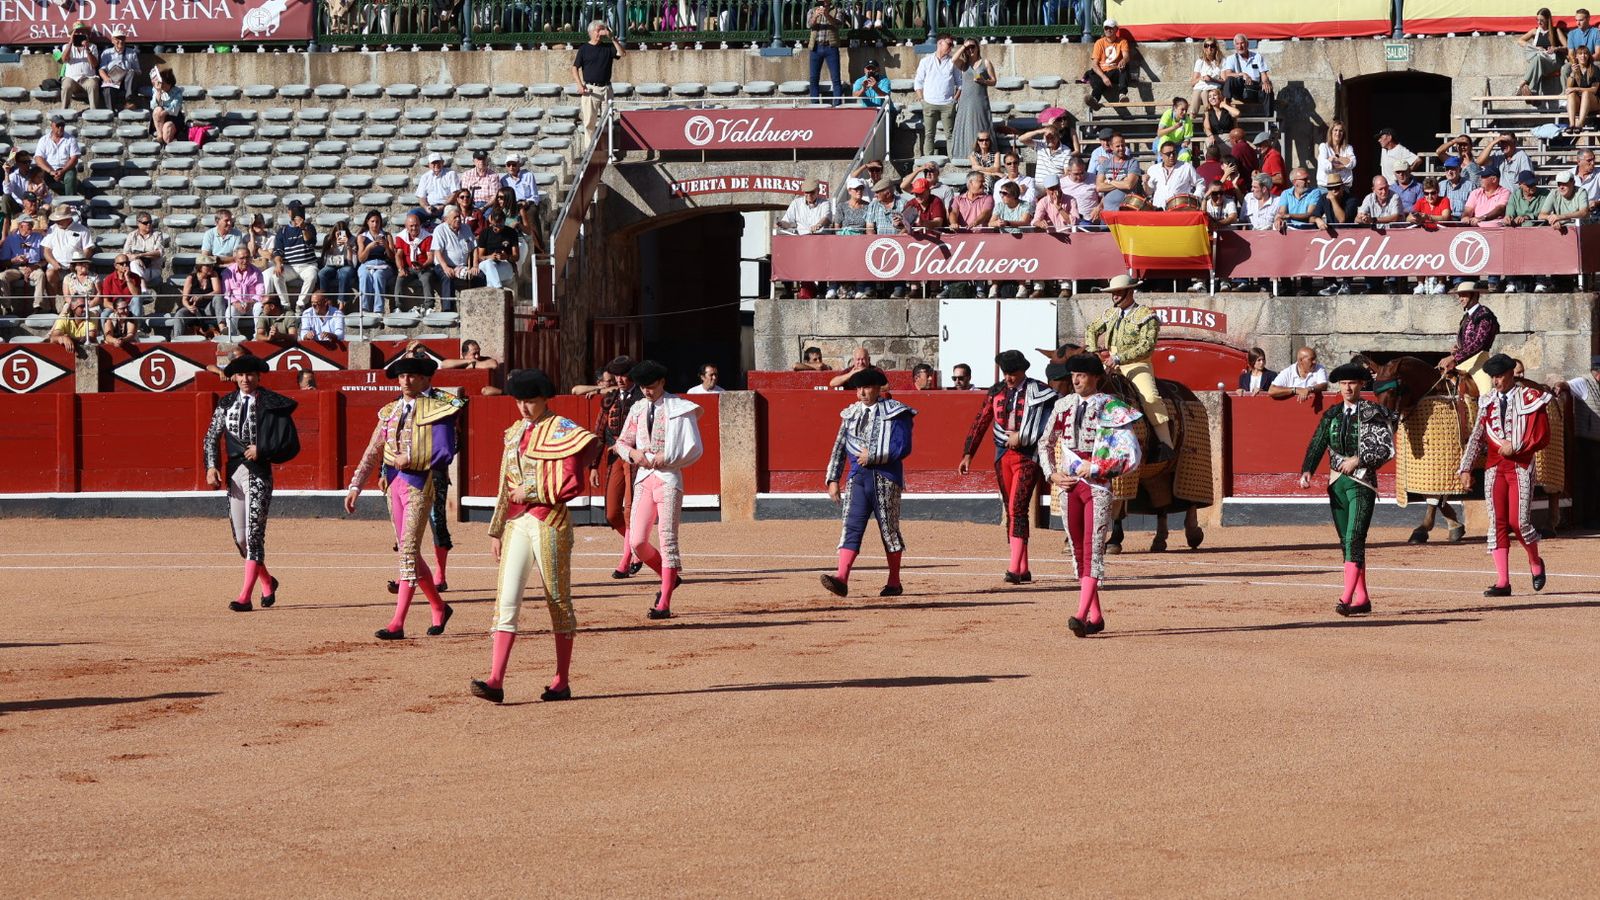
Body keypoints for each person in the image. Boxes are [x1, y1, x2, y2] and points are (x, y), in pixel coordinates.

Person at [471, 368, 600, 704]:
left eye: (530, 401)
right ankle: (495, 679)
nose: (524, 407)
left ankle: (561, 680)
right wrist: (496, 528)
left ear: (545, 399)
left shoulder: (562, 430)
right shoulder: (514, 432)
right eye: (519, 401)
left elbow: (571, 482)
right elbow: (504, 483)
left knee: (557, 599)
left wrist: (528, 491)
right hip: (516, 524)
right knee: (506, 599)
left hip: (549, 521)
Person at [345, 355, 463, 640]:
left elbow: (446, 451)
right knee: (409, 550)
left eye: (412, 376)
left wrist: (411, 457)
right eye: (401, 377)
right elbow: (374, 449)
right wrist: (355, 484)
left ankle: (397, 622)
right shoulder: (390, 411)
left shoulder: (439, 409)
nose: (406, 381)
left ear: (425, 379)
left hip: (419, 484)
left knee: (408, 552)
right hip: (394, 487)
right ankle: (438, 606)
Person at [1040, 354, 1144, 637]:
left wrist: (1097, 466)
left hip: (1097, 486)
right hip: (1069, 486)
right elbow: (1044, 443)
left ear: (1096, 378)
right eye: (1073, 374)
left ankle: (1080, 612)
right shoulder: (1062, 405)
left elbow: (1131, 455)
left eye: (1082, 375)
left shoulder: (1112, 407)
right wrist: (1052, 474)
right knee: (1078, 550)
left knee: (1093, 549)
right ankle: (1095, 616)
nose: (1075, 379)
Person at [1299, 363, 1395, 616]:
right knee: (1347, 541)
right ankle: (1362, 597)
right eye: (1343, 384)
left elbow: (1385, 448)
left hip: (1362, 481)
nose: (1347, 387)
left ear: (1362, 385)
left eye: (1352, 383)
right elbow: (1319, 440)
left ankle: (1345, 597)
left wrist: (1359, 459)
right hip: (1337, 483)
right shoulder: (1332, 414)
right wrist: (1307, 468)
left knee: (1354, 537)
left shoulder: (1373, 412)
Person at [204, 354, 297, 612]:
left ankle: (245, 597)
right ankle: (267, 582)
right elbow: (211, 438)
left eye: (250, 375)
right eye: (241, 375)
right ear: (234, 377)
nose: (245, 379)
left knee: (254, 535)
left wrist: (263, 449)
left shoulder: (270, 403)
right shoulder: (225, 403)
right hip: (234, 474)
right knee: (241, 539)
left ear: (258, 376)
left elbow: (287, 440)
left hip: (259, 473)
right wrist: (211, 466)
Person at [615, 359, 705, 620]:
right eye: (643, 387)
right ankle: (669, 579)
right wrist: (632, 453)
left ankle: (664, 602)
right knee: (637, 542)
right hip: (644, 478)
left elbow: (693, 447)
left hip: (668, 479)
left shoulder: (678, 408)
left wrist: (667, 457)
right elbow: (622, 442)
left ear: (662, 382)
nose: (647, 392)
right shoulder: (638, 408)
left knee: (667, 539)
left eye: (651, 387)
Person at [958, 349, 1058, 584]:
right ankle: (1022, 567)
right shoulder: (996, 391)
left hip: (1027, 455)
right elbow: (981, 420)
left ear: (1023, 370)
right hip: (1003, 454)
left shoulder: (1041, 391)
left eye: (1013, 373)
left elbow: (1049, 422)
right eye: (1006, 373)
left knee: (1017, 507)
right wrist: (968, 453)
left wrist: (1023, 437)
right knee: (1012, 508)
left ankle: (1014, 568)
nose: (1009, 377)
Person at [1458, 353, 1552, 597]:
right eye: (1493, 377)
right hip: (1495, 466)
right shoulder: (1487, 401)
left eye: (1499, 376)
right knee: (1498, 521)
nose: (1496, 381)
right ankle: (1503, 582)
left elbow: (1542, 434)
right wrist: (1466, 467)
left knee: (1519, 522)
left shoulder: (1528, 397)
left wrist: (1517, 446)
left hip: (1520, 465)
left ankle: (1535, 561)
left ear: (1511, 374)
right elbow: (1477, 436)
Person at [820, 367, 916, 599]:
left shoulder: (896, 412)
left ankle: (894, 581)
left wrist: (872, 456)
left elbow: (902, 446)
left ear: (877, 389)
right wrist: (833, 478)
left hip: (886, 478)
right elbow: (839, 446)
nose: (861, 392)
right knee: (851, 527)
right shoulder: (850, 414)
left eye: (866, 387)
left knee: (889, 530)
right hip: (858, 478)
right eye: (858, 388)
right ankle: (841, 578)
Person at [1084, 275, 1174, 459]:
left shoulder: (1146, 315)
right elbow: (1091, 330)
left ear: (1130, 291)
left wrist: (1119, 358)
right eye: (1112, 293)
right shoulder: (1111, 314)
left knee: (1149, 396)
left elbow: (1147, 346)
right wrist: (1094, 353)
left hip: (1136, 364)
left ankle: (1166, 445)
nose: (1114, 297)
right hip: (1109, 363)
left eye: (1118, 292)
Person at [591, 356, 645, 579]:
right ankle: (636, 549)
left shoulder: (643, 398)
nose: (620, 379)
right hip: (615, 458)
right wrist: (594, 465)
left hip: (635, 458)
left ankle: (627, 558)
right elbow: (599, 432)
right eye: (617, 375)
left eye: (624, 374)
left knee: (630, 510)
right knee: (613, 513)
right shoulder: (610, 399)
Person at [1439, 282, 1500, 397]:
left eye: (1464, 295)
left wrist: (1454, 357)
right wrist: (1458, 349)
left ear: (1474, 295)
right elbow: (1468, 342)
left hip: (1480, 362)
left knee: (1487, 393)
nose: (1460, 299)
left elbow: (1479, 343)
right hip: (1463, 361)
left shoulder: (1485, 314)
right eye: (1459, 296)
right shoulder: (1466, 316)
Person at [1562, 354, 1600, 527]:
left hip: (1596, 440)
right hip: (1586, 441)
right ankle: (1588, 518)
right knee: (1589, 479)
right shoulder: (1583, 383)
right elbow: (1565, 385)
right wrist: (1558, 386)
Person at [574, 20, 625, 137]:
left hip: (606, 89)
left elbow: (622, 54)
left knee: (607, 121)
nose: (601, 33)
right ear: (591, 32)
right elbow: (574, 68)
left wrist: (612, 38)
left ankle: (607, 151)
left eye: (603, 29)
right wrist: (579, 85)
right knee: (589, 123)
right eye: (598, 30)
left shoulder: (608, 47)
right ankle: (589, 152)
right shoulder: (584, 49)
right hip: (591, 89)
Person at [266, 201, 319, 310]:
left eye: (300, 210)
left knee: (312, 276)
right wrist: (278, 263)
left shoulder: (309, 227)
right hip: (290, 266)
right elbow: (278, 251)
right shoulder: (283, 231)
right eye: (295, 210)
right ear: (289, 213)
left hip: (308, 265)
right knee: (276, 275)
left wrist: (303, 228)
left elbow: (310, 243)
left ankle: (300, 304)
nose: (298, 213)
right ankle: (285, 305)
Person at [950, 40, 995, 166]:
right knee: (966, 126)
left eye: (972, 47)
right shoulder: (964, 64)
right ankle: (966, 154)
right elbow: (953, 59)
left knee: (981, 124)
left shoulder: (985, 62)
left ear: (977, 47)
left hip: (980, 99)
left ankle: (985, 154)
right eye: (968, 48)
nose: (970, 50)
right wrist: (963, 46)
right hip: (965, 101)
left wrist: (984, 81)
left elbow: (994, 81)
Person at [915, 34, 960, 158]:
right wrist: (922, 100)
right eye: (949, 44)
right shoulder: (926, 61)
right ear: (940, 43)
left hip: (947, 103)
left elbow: (960, 84)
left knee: (950, 134)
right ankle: (928, 162)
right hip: (929, 103)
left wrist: (954, 100)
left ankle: (953, 160)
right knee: (929, 134)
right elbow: (918, 82)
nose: (951, 47)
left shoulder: (953, 62)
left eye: (952, 45)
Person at [431, 204, 480, 310]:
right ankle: (448, 311)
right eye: (455, 217)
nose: (458, 219)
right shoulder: (439, 230)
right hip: (443, 264)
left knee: (480, 276)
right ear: (446, 219)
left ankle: (477, 308)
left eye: (459, 216)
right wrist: (446, 267)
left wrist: (475, 265)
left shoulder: (466, 228)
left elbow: (474, 248)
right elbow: (437, 251)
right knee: (447, 277)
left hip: (462, 265)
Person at [1220, 32, 1274, 115]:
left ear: (1247, 44)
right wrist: (1242, 74)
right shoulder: (1231, 58)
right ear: (1235, 46)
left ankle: (1270, 121)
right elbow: (1227, 74)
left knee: (1268, 88)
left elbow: (1264, 74)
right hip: (1241, 90)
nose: (1240, 46)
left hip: (1255, 89)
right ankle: (1225, 109)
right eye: (1237, 44)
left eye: (1242, 43)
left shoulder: (1257, 57)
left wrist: (1265, 82)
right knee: (1230, 80)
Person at [1083, 19, 1131, 110]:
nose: (1108, 30)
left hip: (1114, 71)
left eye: (1111, 28)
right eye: (1106, 28)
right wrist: (1104, 77)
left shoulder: (1122, 41)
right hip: (1102, 71)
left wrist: (1123, 60)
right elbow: (1094, 64)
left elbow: (1126, 56)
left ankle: (1122, 95)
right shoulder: (1099, 43)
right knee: (1097, 79)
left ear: (1116, 29)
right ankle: (1094, 100)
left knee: (1124, 68)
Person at [0, 215, 45, 312]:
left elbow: (44, 259)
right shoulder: (10, 239)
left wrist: (33, 267)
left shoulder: (38, 238)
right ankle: (7, 307)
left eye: (32, 224)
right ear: (20, 226)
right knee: (2, 276)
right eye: (28, 224)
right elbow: (3, 262)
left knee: (40, 274)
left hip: (34, 267)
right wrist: (14, 260)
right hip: (16, 268)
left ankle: (37, 307)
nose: (31, 226)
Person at [806, 0, 846, 106]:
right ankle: (814, 104)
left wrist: (827, 15)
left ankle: (837, 104)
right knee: (813, 78)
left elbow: (838, 24)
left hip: (831, 47)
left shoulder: (838, 10)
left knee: (836, 78)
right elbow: (809, 25)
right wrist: (815, 16)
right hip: (815, 47)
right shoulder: (812, 10)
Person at [393, 211, 437, 309]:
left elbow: (430, 257)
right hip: (409, 268)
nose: (414, 228)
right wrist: (401, 269)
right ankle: (398, 306)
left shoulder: (427, 236)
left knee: (426, 278)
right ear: (406, 226)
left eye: (416, 225)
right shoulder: (401, 237)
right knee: (400, 278)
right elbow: (398, 255)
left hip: (424, 267)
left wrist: (423, 265)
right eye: (411, 226)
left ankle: (429, 306)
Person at [1517, 7, 1565, 96]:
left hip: (1553, 61)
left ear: (1547, 20)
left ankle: (1523, 83)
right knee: (1538, 58)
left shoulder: (1555, 31)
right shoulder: (1535, 31)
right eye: (1537, 20)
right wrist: (1535, 47)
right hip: (1540, 60)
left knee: (1537, 59)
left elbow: (1567, 46)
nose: (1539, 22)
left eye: (1542, 20)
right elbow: (1520, 41)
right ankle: (1533, 91)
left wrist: (1556, 48)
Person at [355, 211, 395, 313]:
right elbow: (361, 259)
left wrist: (386, 245)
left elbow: (392, 257)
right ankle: (364, 307)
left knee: (378, 276)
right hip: (367, 263)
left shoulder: (386, 235)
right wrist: (368, 248)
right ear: (367, 222)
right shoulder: (362, 237)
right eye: (372, 221)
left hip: (383, 264)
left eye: (377, 222)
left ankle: (378, 309)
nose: (375, 224)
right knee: (364, 275)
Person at [1091, 132, 1142, 212]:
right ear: (1111, 147)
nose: (1121, 148)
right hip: (1108, 212)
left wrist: (1109, 181)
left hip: (1126, 211)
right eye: (1118, 146)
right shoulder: (1105, 164)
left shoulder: (1132, 162)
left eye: (1123, 145)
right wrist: (1121, 182)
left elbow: (1129, 185)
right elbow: (1099, 187)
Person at [1146, 141, 1203, 209]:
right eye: (1168, 154)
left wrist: (1196, 198)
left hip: (1179, 211)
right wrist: (1145, 183)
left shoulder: (1186, 167)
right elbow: (1149, 192)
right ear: (1161, 154)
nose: (1172, 156)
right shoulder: (1153, 169)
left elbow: (1200, 183)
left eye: (1174, 153)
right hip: (1158, 210)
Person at [219, 248, 262, 338]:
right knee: (230, 312)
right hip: (236, 303)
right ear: (236, 259)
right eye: (242, 258)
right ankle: (233, 337)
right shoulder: (228, 272)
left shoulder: (257, 272)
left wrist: (252, 302)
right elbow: (226, 293)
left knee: (259, 307)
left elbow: (260, 291)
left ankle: (258, 336)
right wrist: (235, 302)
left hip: (252, 303)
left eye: (247, 257)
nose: (245, 261)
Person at [475, 206, 520, 292]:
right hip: (487, 263)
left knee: (490, 273)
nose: (498, 228)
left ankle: (494, 289)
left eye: (501, 225)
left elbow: (516, 256)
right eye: (495, 225)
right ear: (491, 220)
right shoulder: (485, 233)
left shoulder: (511, 233)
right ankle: (498, 289)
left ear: (504, 221)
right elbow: (480, 256)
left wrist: (506, 257)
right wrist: (490, 257)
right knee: (489, 264)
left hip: (505, 264)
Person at [34, 115, 81, 196]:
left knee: (70, 176)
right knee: (37, 174)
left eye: (62, 125)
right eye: (58, 125)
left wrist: (62, 171)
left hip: (65, 169)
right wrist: (51, 171)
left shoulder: (71, 139)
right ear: (52, 125)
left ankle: (71, 201)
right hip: (49, 170)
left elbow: (74, 158)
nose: (60, 128)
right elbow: (38, 158)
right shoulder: (44, 140)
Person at [98, 27, 140, 111]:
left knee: (132, 72)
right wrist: (106, 78)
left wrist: (129, 72)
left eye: (122, 38)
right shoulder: (106, 53)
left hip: (127, 82)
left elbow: (138, 71)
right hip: (113, 80)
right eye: (118, 39)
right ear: (112, 40)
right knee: (108, 89)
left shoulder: (132, 53)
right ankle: (110, 111)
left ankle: (129, 102)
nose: (120, 41)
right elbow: (101, 69)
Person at [121, 212, 166, 289]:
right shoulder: (132, 236)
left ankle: (143, 290)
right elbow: (125, 254)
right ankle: (144, 291)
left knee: (134, 270)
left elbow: (159, 252)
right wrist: (136, 259)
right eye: (145, 223)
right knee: (134, 264)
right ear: (138, 223)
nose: (148, 224)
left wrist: (140, 255)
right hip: (138, 268)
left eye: (150, 222)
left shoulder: (157, 235)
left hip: (153, 269)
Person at [318, 219, 357, 306]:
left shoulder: (352, 240)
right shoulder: (328, 239)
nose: (340, 236)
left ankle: (342, 303)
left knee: (344, 273)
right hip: (332, 264)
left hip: (346, 264)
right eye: (338, 233)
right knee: (322, 273)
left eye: (342, 233)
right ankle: (325, 301)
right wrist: (333, 247)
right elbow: (324, 260)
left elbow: (353, 263)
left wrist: (348, 247)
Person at [60, 25, 100, 109]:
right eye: (77, 33)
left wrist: (87, 48)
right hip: (72, 79)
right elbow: (64, 60)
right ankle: (63, 110)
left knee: (93, 85)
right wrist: (71, 42)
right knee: (66, 85)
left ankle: (94, 111)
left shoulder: (93, 46)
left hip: (88, 78)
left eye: (82, 32)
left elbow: (94, 64)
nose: (80, 34)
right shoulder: (66, 46)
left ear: (87, 35)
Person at [100, 253, 147, 319]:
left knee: (137, 299)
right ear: (115, 266)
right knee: (104, 315)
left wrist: (127, 278)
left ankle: (137, 328)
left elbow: (136, 294)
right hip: (116, 306)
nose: (125, 265)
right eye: (122, 264)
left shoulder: (135, 277)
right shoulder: (108, 279)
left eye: (127, 263)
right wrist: (118, 308)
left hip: (131, 306)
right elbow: (105, 302)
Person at [48, 289, 96, 354]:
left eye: (86, 306)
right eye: (82, 306)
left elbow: (91, 338)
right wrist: (63, 338)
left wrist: (69, 338)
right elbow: (53, 338)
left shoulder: (91, 315)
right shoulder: (64, 318)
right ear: (72, 307)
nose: (85, 309)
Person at [414, 153, 460, 220]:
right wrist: (426, 207)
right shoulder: (425, 177)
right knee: (413, 213)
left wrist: (443, 205)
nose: (436, 165)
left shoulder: (451, 174)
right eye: (433, 163)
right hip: (431, 206)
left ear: (442, 163)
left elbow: (455, 193)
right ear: (429, 165)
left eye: (438, 162)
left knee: (450, 211)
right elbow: (421, 197)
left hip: (446, 206)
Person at [1314, 122, 1355, 190]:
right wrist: (1344, 164)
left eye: (1340, 131)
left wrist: (1335, 158)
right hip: (1326, 187)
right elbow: (1325, 167)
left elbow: (1353, 163)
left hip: (1344, 185)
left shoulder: (1348, 148)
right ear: (1331, 132)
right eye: (1335, 130)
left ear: (1343, 133)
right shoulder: (1324, 147)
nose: (1338, 133)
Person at [149, 68, 184, 145]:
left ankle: (167, 150)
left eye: (164, 83)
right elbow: (153, 105)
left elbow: (175, 106)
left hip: (174, 117)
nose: (162, 85)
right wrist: (158, 92)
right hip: (159, 119)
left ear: (169, 83)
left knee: (167, 127)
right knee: (157, 110)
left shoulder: (177, 91)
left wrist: (165, 112)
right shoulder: (157, 90)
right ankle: (159, 136)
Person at [1191, 37, 1225, 111]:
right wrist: (1202, 78)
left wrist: (1212, 79)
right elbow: (1192, 83)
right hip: (1200, 86)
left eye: (1212, 46)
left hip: (1214, 87)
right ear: (1204, 47)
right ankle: (1191, 118)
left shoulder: (1222, 61)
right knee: (1197, 92)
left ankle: (1208, 115)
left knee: (1205, 93)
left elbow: (1224, 81)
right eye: (1206, 46)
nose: (1209, 48)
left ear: (1216, 47)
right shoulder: (1200, 61)